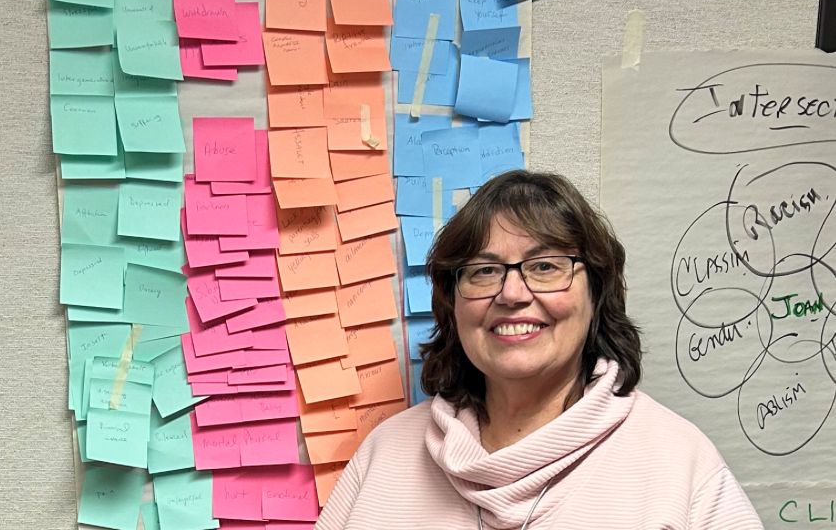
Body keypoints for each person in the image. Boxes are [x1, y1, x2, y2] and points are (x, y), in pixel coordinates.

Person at [315, 170, 763, 529]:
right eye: (483, 271)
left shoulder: (678, 464)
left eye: (546, 266)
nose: (511, 293)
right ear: (452, 303)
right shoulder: (386, 453)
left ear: (597, 294)